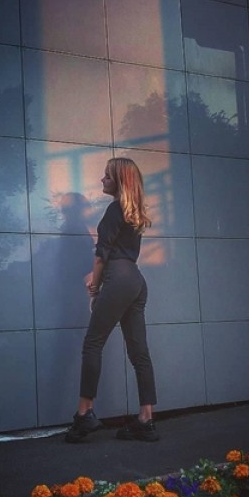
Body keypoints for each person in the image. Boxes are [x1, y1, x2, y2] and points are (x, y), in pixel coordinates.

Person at [65, 158, 158, 443]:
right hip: (136, 281)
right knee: (139, 352)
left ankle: (84, 414)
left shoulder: (115, 209)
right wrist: (96, 278)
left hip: (118, 279)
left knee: (93, 343)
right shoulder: (133, 212)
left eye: (107, 176)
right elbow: (118, 255)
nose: (102, 180)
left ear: (120, 181)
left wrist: (95, 287)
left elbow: (101, 256)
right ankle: (146, 420)